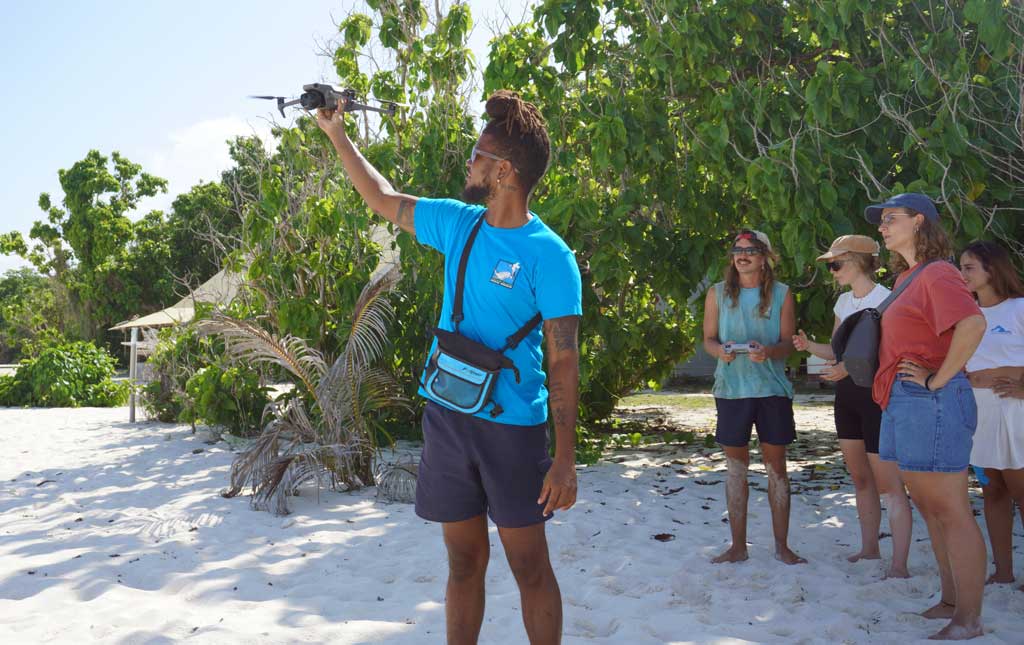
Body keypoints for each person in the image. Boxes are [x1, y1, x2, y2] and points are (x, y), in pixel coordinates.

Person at [316, 90, 583, 645]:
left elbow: (563, 363)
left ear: (505, 171)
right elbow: (381, 196)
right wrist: (337, 134)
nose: (471, 161)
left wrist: (564, 460)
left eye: (479, 154)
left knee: (530, 568)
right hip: (448, 417)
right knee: (463, 562)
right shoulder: (459, 223)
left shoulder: (549, 255)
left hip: (513, 429)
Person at [866, 193, 987, 640]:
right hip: (904, 400)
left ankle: (969, 618)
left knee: (951, 509)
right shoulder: (908, 277)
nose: (882, 225)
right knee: (932, 508)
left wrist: (938, 379)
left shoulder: (937, 272)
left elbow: (972, 325)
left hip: (930, 400)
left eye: (890, 218)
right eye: (881, 220)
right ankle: (952, 600)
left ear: (920, 222)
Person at [793, 235, 913, 578]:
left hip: (876, 398)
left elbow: (889, 355)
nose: (832, 271)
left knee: (891, 486)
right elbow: (836, 352)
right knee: (861, 479)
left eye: (836, 264)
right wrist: (808, 346)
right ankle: (869, 549)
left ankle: (900, 564)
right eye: (831, 265)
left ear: (860, 261)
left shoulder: (887, 300)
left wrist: (848, 367)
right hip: (846, 398)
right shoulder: (843, 303)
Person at [702, 229, 804, 565]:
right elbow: (709, 339)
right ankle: (737, 547)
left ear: (765, 257)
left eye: (751, 250)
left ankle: (782, 546)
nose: (742, 255)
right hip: (732, 391)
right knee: (735, 470)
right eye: (737, 250)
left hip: (772, 391)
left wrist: (769, 351)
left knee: (777, 469)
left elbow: (789, 344)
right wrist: (721, 352)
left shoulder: (783, 294)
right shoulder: (717, 294)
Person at [960, 240, 1024, 589]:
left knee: (1021, 491)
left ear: (992, 269)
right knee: (992, 491)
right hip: (978, 415)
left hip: (1014, 413)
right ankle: (1002, 570)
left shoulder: (1019, 309)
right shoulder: (966, 314)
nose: (962, 273)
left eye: (969, 267)